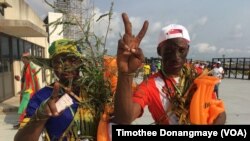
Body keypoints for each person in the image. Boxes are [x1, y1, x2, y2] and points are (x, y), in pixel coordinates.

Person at [112, 13, 226, 125]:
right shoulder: (150, 85)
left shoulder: (199, 76)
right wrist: (126, 74)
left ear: (188, 49)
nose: (176, 57)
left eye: (181, 50)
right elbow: (124, 119)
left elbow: (219, 112)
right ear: (159, 51)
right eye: (168, 51)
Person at [14, 39, 114, 141]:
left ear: (80, 63)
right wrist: (41, 116)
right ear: (52, 66)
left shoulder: (96, 91)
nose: (66, 66)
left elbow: (122, 119)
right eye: (58, 61)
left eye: (72, 60)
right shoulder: (42, 96)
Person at [13, 52, 40, 129]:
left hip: (30, 90)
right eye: (22, 58)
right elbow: (24, 79)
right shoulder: (25, 67)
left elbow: (31, 81)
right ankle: (24, 122)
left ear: (28, 59)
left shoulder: (31, 67)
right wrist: (19, 78)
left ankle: (23, 123)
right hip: (27, 89)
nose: (22, 60)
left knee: (24, 106)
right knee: (25, 106)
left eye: (24, 59)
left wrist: (23, 90)